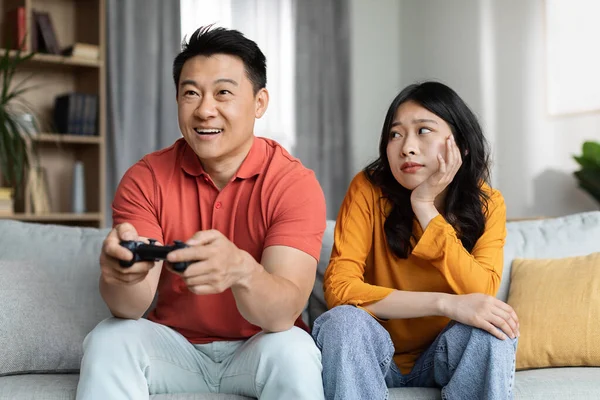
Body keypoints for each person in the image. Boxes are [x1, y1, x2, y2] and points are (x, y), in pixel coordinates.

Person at [76, 26, 326, 400]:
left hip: (258, 348)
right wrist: (121, 276)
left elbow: (281, 315)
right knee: (110, 337)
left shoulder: (293, 183)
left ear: (259, 103)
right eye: (190, 93)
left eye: (223, 92)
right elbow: (129, 307)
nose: (205, 110)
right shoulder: (146, 177)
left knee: (294, 349)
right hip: (174, 347)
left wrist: (242, 270)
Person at [312, 82, 519, 400]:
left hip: (444, 355)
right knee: (342, 323)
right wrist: (443, 302)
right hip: (374, 354)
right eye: (395, 134)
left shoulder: (488, 202)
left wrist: (424, 207)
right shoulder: (368, 189)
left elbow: (481, 293)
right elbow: (340, 290)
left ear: (460, 144)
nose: (406, 146)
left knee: (491, 329)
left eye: (423, 130)